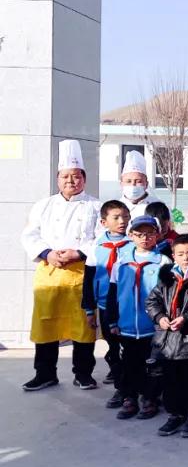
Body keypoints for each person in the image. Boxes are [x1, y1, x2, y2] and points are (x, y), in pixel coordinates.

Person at [20, 140, 102, 392]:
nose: (71, 181)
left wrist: (78, 252)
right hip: (50, 272)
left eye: (76, 176)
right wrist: (48, 253)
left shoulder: (96, 206)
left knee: (83, 325)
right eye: (65, 176)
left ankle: (83, 374)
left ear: (84, 179)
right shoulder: (43, 205)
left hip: (82, 273)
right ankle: (45, 373)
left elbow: (101, 238)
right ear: (58, 179)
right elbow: (30, 235)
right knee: (46, 324)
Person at [145, 233, 188, 438]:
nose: (186, 258)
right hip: (167, 341)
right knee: (170, 380)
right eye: (181, 254)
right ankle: (175, 414)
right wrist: (159, 317)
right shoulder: (168, 277)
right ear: (173, 256)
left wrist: (187, 317)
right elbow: (152, 301)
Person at [106, 214, 169, 419]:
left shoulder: (163, 262)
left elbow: (168, 296)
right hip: (126, 326)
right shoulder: (121, 263)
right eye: (139, 234)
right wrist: (112, 320)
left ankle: (149, 398)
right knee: (129, 364)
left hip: (152, 326)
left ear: (157, 235)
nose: (145, 238)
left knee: (152, 365)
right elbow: (112, 294)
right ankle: (129, 397)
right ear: (131, 235)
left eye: (150, 233)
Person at [81, 199, 131, 401]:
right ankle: (121, 387)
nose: (122, 221)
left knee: (129, 348)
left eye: (125, 217)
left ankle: (132, 388)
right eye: (116, 217)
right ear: (103, 222)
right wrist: (89, 309)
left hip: (128, 305)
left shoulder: (133, 244)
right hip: (105, 306)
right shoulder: (97, 247)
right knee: (113, 347)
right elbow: (89, 279)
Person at [118, 150, 163, 217]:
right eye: (128, 181)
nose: (133, 185)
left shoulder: (159, 207)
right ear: (121, 184)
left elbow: (172, 222)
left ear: (146, 184)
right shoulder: (114, 208)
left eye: (138, 181)